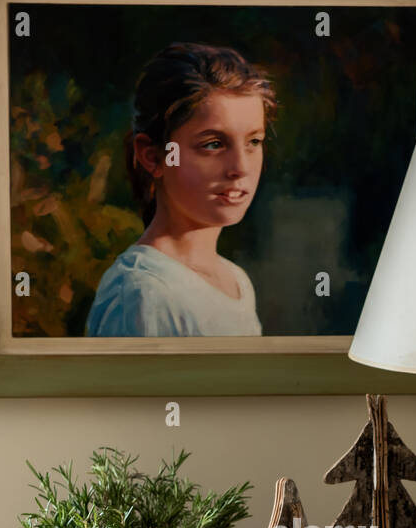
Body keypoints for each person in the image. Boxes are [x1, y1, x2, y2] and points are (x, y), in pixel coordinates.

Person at [86, 42, 276, 338]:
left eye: (253, 142)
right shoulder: (143, 294)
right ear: (153, 156)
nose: (240, 167)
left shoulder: (236, 281)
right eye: (213, 144)